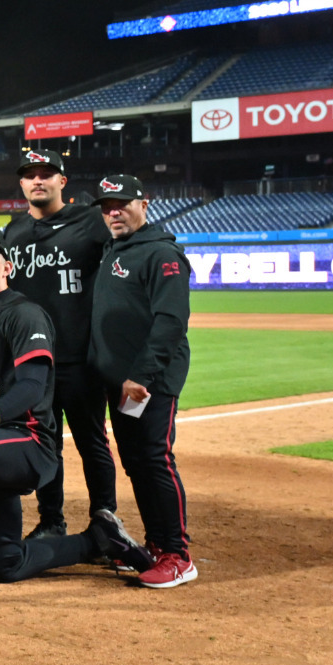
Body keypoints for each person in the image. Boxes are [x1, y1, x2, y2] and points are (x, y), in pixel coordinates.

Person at [0, 231, 152, 611]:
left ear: (7, 268)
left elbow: (33, 387)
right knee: (5, 564)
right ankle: (99, 540)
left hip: (28, 441)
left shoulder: (23, 313)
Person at [0, 148, 120, 543]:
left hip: (79, 359)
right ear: (22, 183)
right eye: (30, 175)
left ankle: (105, 522)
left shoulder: (91, 220)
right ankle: (51, 521)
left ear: (62, 181)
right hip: (33, 363)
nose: (38, 180)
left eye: (46, 174)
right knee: (44, 443)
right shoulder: (14, 230)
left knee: (92, 442)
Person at [90, 174, 198, 589]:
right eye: (106, 207)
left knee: (154, 459)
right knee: (136, 462)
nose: (113, 212)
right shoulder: (113, 248)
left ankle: (178, 555)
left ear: (144, 204)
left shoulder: (161, 254)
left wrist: (141, 375)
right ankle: (156, 543)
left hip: (148, 381)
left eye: (121, 204)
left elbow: (171, 322)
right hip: (121, 382)